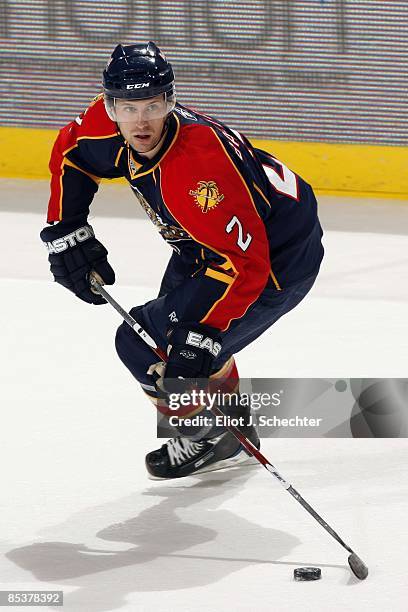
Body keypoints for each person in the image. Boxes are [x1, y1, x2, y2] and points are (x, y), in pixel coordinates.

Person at [40, 42, 324, 480]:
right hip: (207, 247)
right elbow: (70, 150)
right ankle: (227, 423)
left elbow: (245, 265)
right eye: (128, 107)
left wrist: (203, 334)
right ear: (109, 105)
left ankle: (208, 435)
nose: (141, 120)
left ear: (171, 102)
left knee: (149, 345)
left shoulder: (195, 175)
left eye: (153, 105)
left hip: (274, 264)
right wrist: (66, 230)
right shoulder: (108, 121)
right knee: (178, 343)